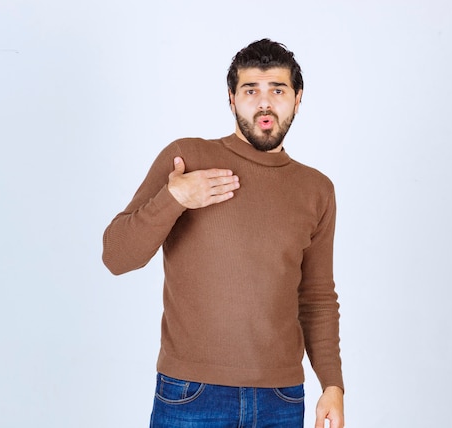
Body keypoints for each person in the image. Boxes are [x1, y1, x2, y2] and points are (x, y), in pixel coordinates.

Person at [102, 38, 344, 428]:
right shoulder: (188, 157)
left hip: (281, 400)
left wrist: (332, 385)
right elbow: (116, 256)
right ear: (231, 99)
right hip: (191, 394)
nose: (264, 103)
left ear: (298, 99)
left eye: (277, 90)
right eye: (251, 91)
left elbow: (316, 297)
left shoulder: (316, 189)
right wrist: (173, 197)